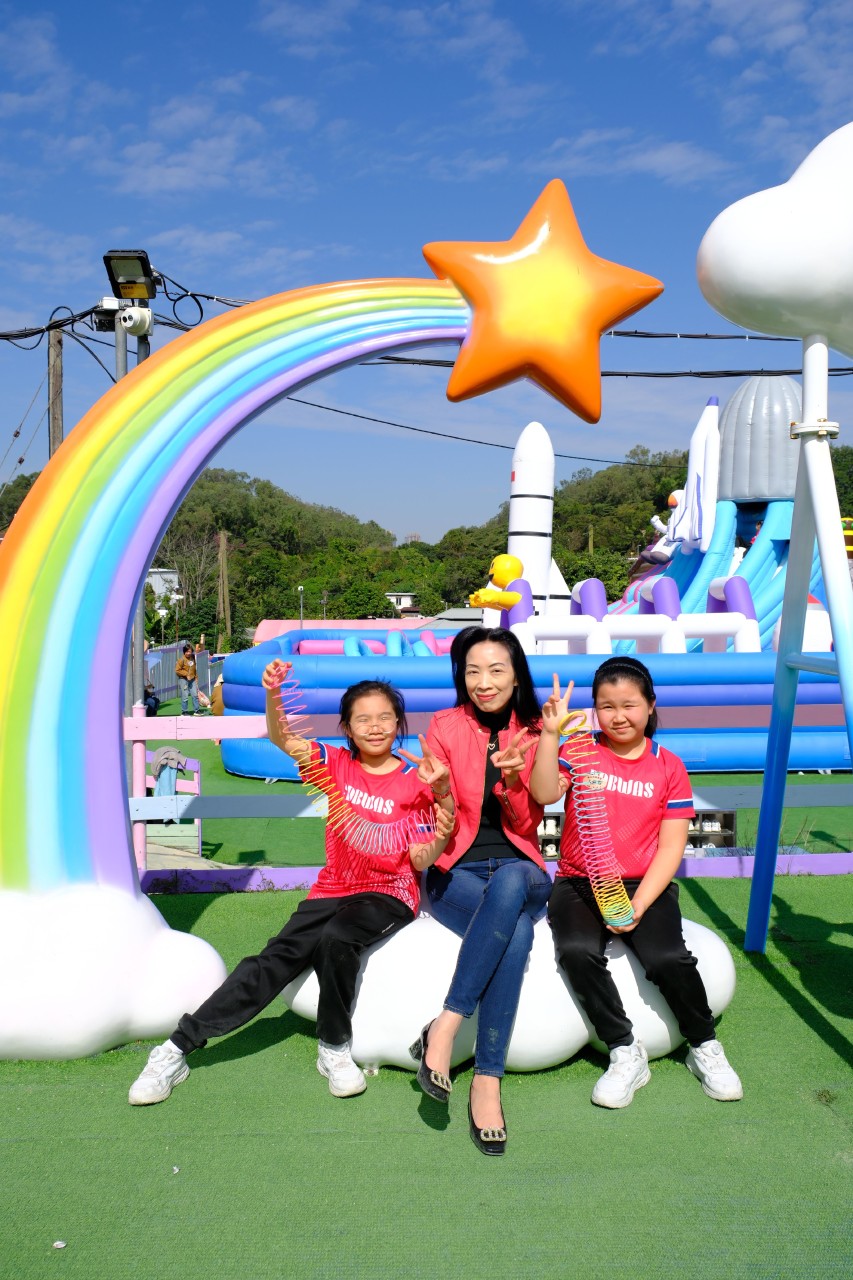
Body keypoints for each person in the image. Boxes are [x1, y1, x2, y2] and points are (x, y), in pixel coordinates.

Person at [128, 662, 455, 1106]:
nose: (375, 726)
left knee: (337, 938)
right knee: (274, 959)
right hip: (333, 887)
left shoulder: (416, 782)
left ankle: (334, 1047)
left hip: (388, 892)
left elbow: (419, 859)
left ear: (399, 723)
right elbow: (283, 738)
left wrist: (441, 826)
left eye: (385, 717)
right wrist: (273, 692)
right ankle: (176, 1048)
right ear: (347, 728)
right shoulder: (335, 764)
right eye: (363, 718)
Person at [530, 657, 743, 1109]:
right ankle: (624, 1050)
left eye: (629, 705)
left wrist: (639, 905)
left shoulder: (668, 766)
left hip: (643, 883)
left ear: (650, 705)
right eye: (606, 706)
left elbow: (671, 847)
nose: (618, 716)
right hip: (578, 882)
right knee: (576, 952)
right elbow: (545, 794)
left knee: (668, 957)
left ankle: (704, 1044)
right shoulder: (580, 751)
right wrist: (550, 735)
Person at [411, 626, 551, 1156]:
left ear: (516, 677)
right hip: (458, 873)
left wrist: (511, 782)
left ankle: (445, 1026)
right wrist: (443, 791)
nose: (483, 681)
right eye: (472, 671)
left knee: (512, 880)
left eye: (496, 670)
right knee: (516, 934)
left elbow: (531, 819)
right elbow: (440, 816)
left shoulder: (536, 731)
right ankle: (487, 1082)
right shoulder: (445, 726)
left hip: (522, 868)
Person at [175, 643, 201, 716]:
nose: (188, 653)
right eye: (187, 651)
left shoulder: (193, 657)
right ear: (184, 652)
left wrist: (196, 678)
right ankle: (184, 711)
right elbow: (177, 670)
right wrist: (186, 674)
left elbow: (194, 669)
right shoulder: (181, 660)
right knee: (185, 696)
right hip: (183, 680)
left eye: (190, 651)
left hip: (192, 679)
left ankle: (197, 710)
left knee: (195, 695)